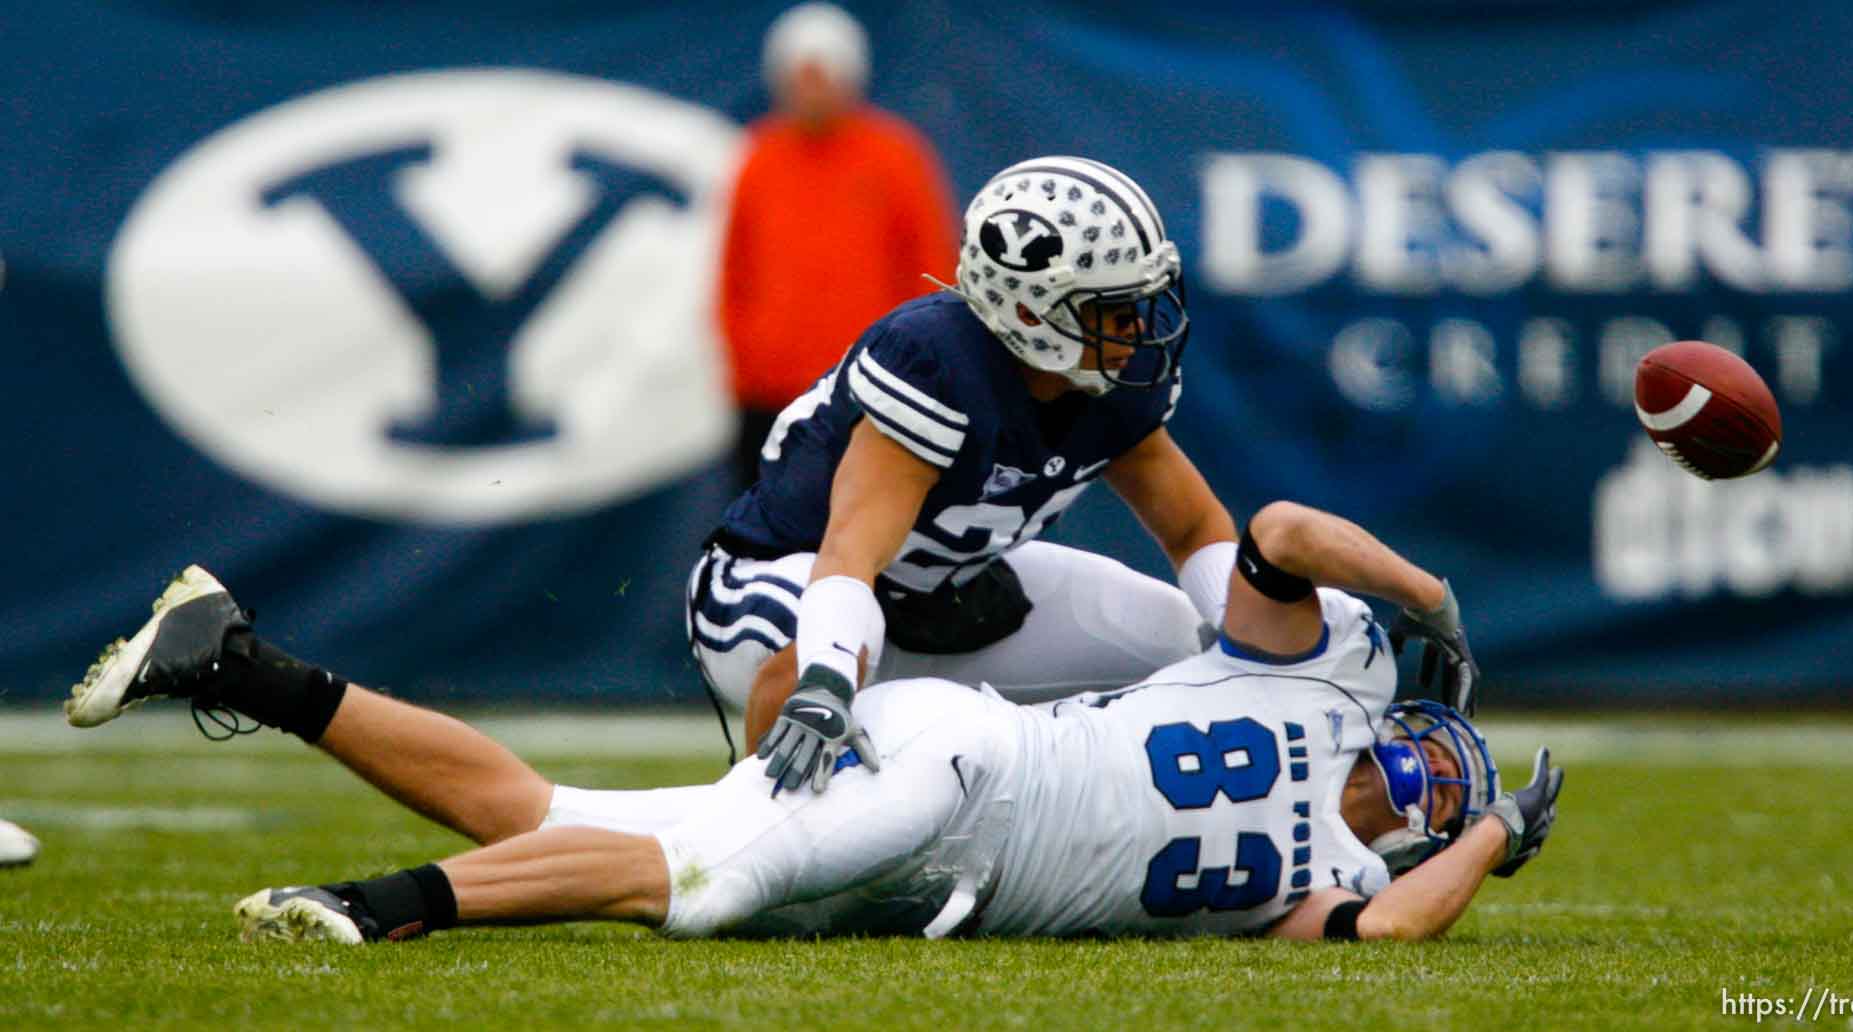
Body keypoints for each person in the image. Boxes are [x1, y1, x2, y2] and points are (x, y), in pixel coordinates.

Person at [64, 500, 1558, 944]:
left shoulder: (1344, 885)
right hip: (965, 762)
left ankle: (243, 666)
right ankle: (367, 911)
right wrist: (1425, 588)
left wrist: (1486, 835)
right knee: (713, 887)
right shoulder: (1309, 679)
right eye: (1429, 750)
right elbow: (1283, 528)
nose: (1414, 775)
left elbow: (1383, 943)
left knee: (560, 820)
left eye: (1436, 790)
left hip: (944, 870)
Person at [692, 150, 1479, 789]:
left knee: (1185, 641)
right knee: (809, 672)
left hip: (947, 591)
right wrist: (830, 684)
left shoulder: (1101, 383)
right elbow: (850, 558)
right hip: (779, 589)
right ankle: (764, 825)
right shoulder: (937, 362)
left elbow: (1194, 528)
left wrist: (1257, 652)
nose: (1138, 329)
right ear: (1030, 308)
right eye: (1112, 309)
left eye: (1140, 303)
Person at [720, 2, 959, 491]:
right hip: (771, 397)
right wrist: (748, 363)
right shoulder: (759, 157)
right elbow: (734, 272)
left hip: (870, 389)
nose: (810, 89)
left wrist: (910, 367)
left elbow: (930, 267)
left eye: (822, 74)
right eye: (800, 76)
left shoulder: (896, 156)